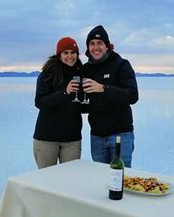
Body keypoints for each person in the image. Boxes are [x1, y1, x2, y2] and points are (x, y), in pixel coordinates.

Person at [82, 25, 138, 167]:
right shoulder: (86, 69)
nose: (96, 47)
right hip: (96, 136)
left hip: (121, 136)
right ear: (88, 48)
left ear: (107, 46)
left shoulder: (121, 65)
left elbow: (132, 96)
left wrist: (103, 88)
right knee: (101, 180)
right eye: (92, 44)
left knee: (122, 180)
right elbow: (85, 102)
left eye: (100, 43)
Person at [33, 37, 83, 169]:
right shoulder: (48, 74)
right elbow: (40, 102)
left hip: (72, 138)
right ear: (59, 55)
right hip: (47, 138)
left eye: (73, 52)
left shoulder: (81, 73)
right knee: (46, 181)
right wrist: (65, 93)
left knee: (70, 180)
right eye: (65, 53)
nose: (70, 56)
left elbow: (79, 104)